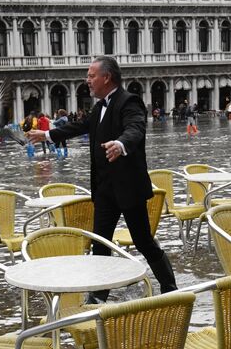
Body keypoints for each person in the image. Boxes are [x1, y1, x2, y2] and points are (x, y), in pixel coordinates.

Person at [25, 56, 177, 301]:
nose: (87, 80)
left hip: (129, 189)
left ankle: (170, 288)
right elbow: (79, 126)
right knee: (100, 243)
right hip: (105, 190)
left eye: (91, 75)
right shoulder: (99, 107)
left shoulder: (130, 102)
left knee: (144, 241)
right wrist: (47, 135)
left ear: (107, 77)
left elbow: (136, 128)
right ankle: (98, 296)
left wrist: (120, 143)